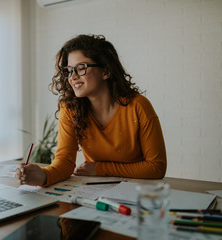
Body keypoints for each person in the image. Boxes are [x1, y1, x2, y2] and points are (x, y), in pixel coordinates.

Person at [16, 34, 167, 187]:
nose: (72, 77)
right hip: (94, 189)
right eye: (69, 70)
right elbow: (65, 162)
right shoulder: (70, 109)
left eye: (81, 68)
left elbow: (156, 167)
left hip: (137, 190)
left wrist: (99, 168)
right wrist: (43, 175)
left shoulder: (138, 106)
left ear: (106, 72)